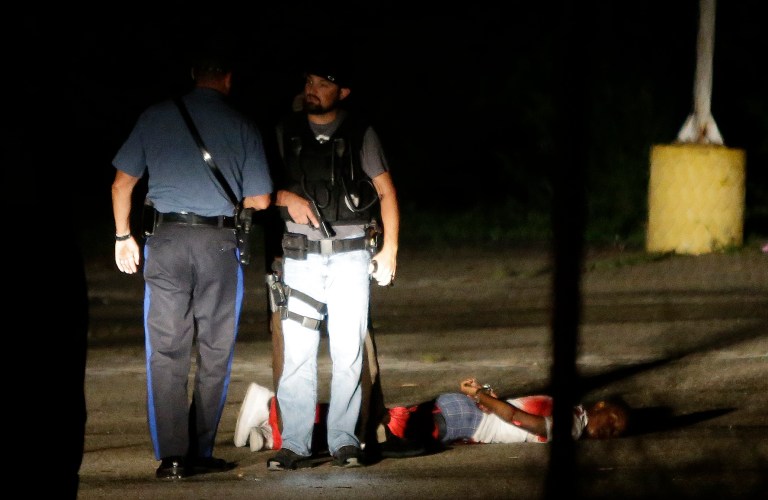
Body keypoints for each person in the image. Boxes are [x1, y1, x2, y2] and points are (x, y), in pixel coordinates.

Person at [110, 49, 273, 479]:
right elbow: (260, 200)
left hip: (165, 241)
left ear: (193, 74)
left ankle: (173, 456)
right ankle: (200, 449)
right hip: (219, 245)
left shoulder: (155, 116)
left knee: (166, 350)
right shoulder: (242, 124)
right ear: (228, 79)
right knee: (215, 351)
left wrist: (123, 236)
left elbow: (121, 183)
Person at [262, 57, 400, 471]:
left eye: (323, 83)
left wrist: (389, 250)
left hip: (351, 259)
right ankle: (296, 443)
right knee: (298, 355)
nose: (312, 89)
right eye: (308, 81)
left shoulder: (360, 132)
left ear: (342, 93)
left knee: (347, 351)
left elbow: (387, 192)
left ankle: (344, 440)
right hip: (300, 260)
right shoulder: (284, 132)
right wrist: (286, 198)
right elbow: (259, 191)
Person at [233, 377, 629, 459]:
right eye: (612, 419)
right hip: (464, 420)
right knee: (379, 432)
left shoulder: (568, 410)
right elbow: (521, 420)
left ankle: (271, 432)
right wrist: (485, 398)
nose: (609, 430)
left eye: (614, 433)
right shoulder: (572, 425)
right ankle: (273, 409)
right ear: (598, 407)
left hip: (462, 417)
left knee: (376, 430)